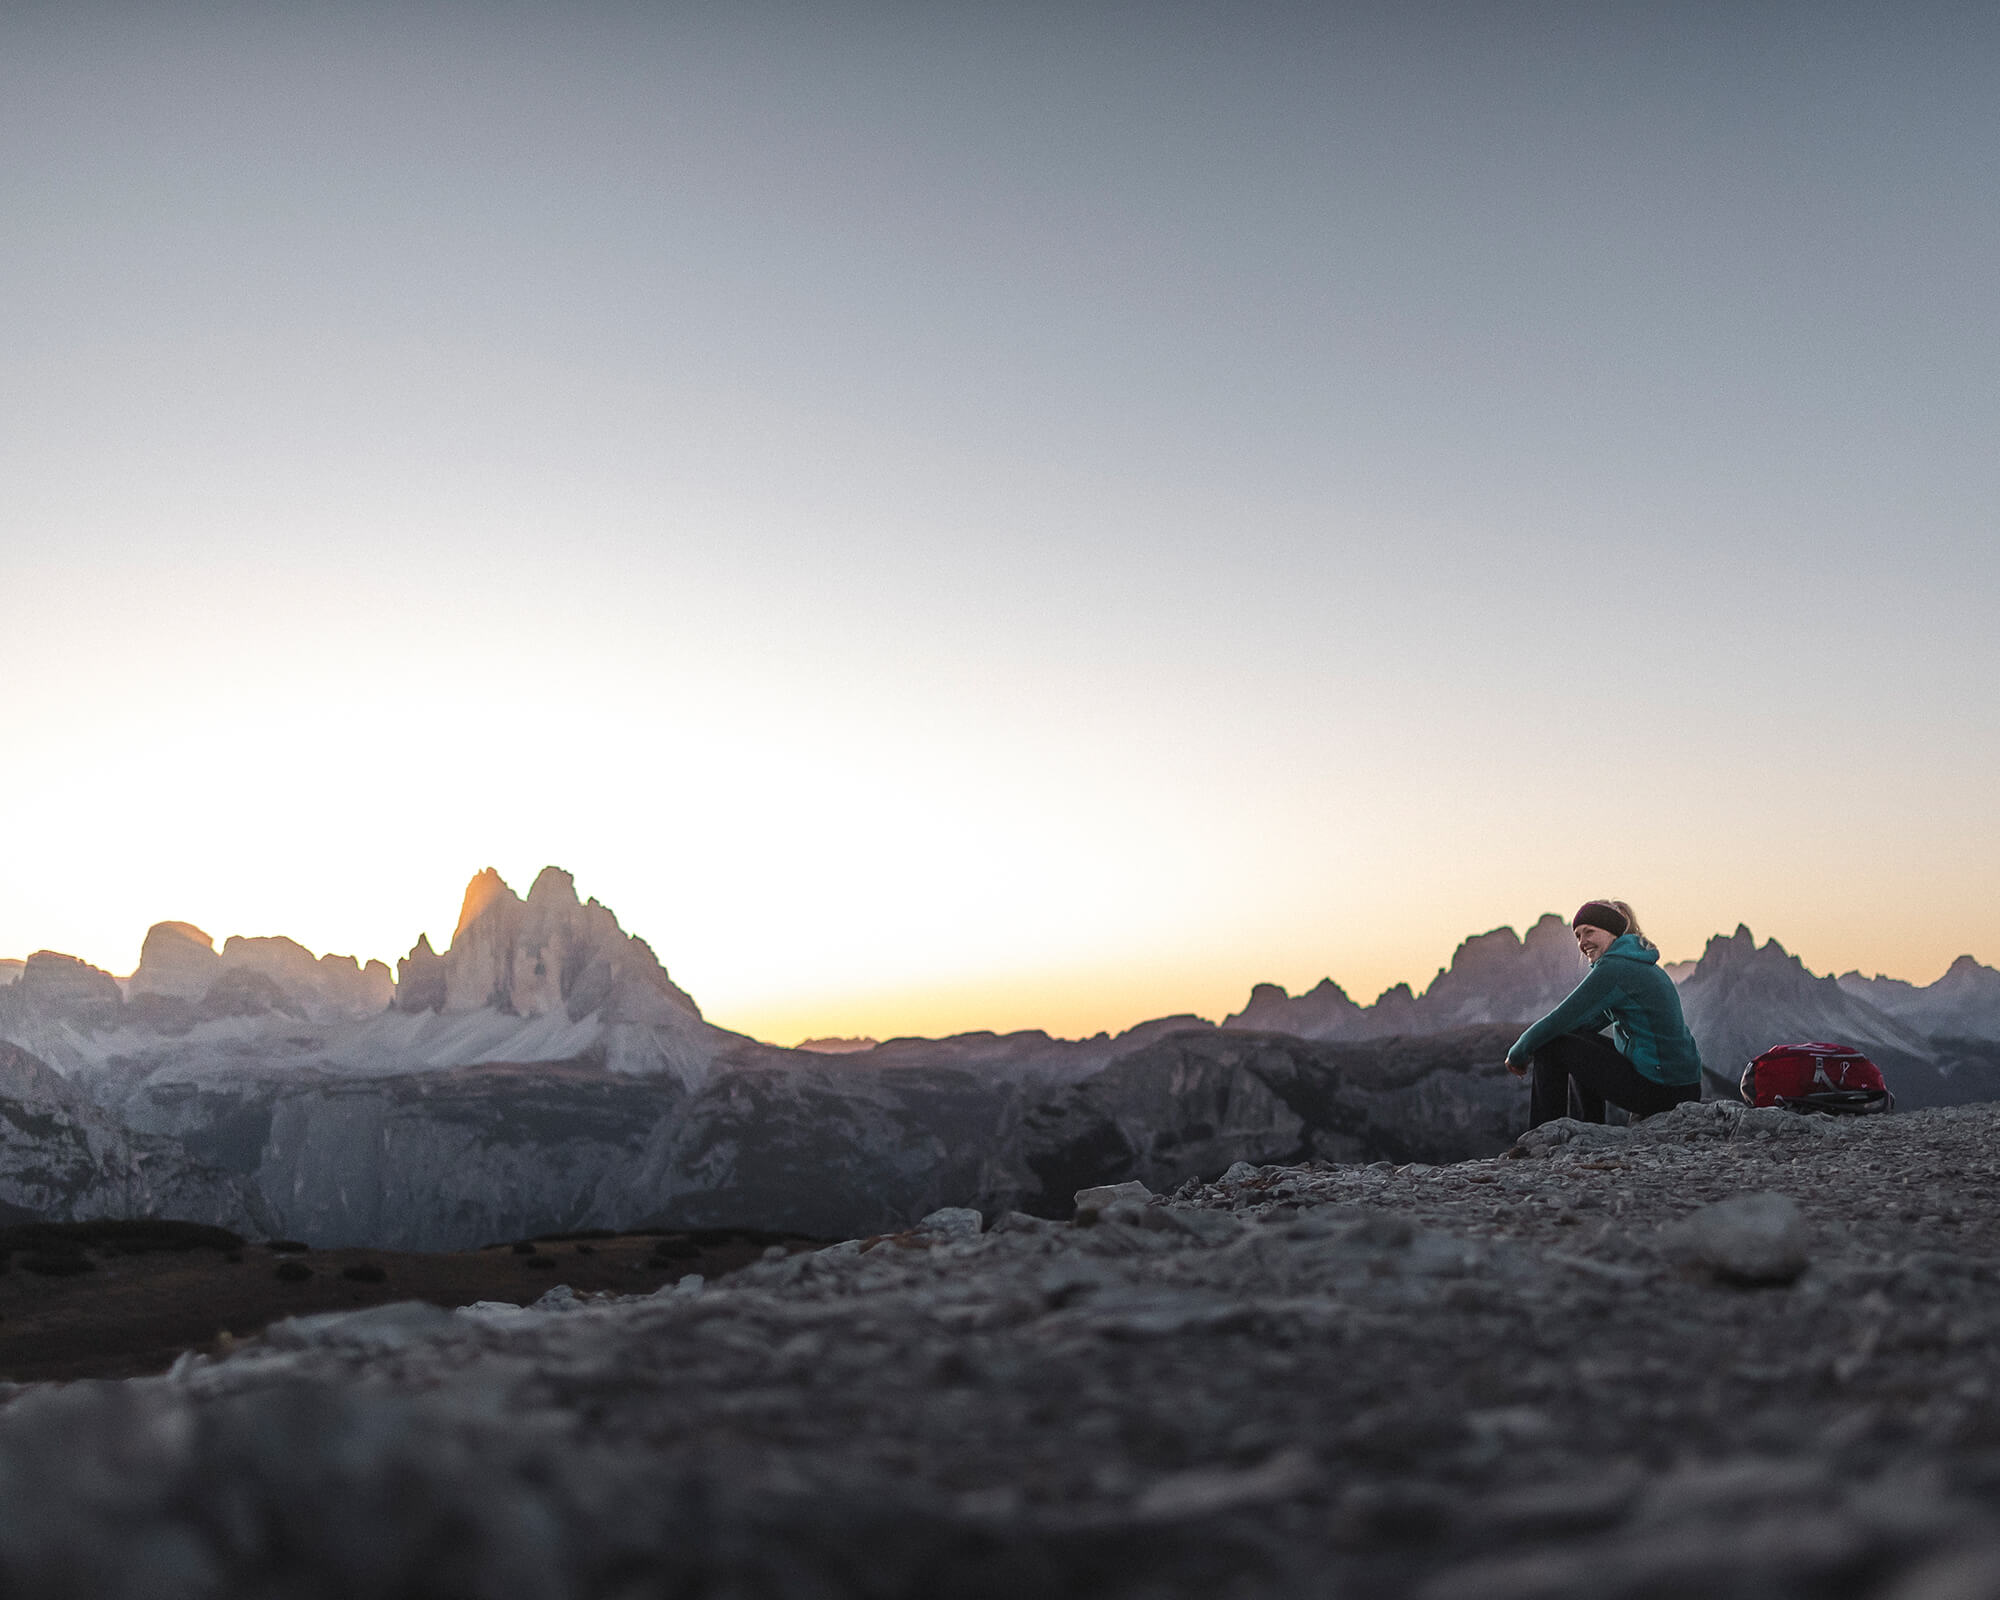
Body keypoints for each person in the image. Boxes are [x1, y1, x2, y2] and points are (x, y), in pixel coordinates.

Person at [1504, 900, 1703, 1128]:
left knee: (1550, 1045)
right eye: (1578, 935)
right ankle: (1587, 1126)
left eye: (1590, 932)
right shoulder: (1636, 962)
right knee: (1575, 1038)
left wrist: (1518, 1052)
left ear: (1612, 932)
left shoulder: (1615, 968)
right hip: (1679, 1086)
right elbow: (1582, 1025)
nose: (1582, 942)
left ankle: (1544, 1133)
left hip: (1664, 1091)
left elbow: (1562, 1017)